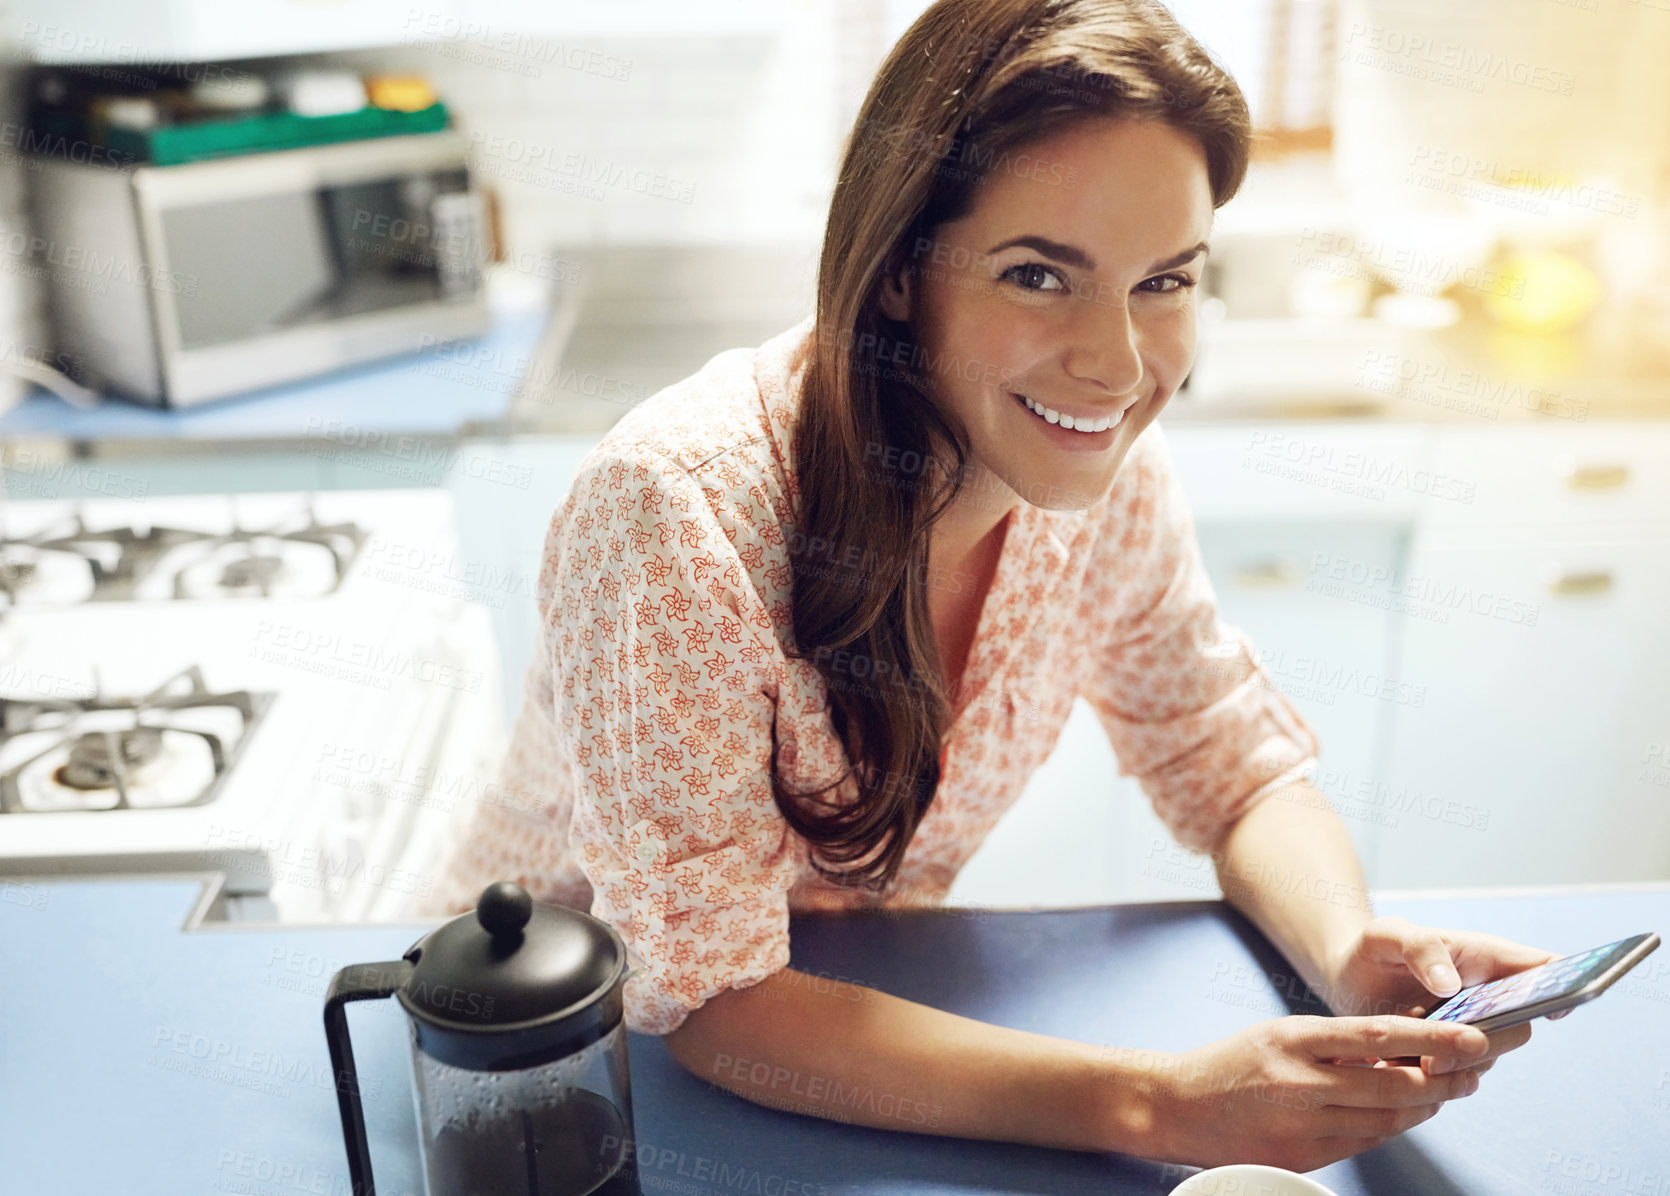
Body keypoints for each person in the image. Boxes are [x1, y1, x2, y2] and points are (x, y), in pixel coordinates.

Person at [426, 0, 1563, 1172]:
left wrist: (1345, 946)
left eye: (1163, 281)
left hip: (851, 1022)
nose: (1117, 363)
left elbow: (1224, 756)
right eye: (1037, 275)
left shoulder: (1099, 473)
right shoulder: (678, 514)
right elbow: (712, 1001)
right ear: (901, 271)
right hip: (541, 1068)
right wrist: (1153, 1104)